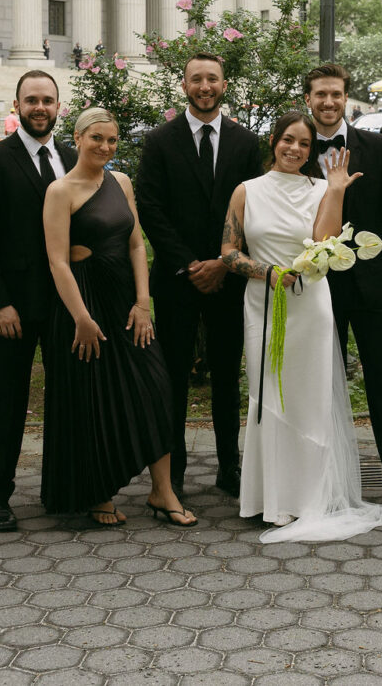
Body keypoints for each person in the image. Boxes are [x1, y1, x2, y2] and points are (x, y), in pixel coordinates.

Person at [219, 112, 382, 541]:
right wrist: (267, 273)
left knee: (309, 397)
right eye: (288, 140)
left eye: (304, 143)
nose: (295, 149)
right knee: (268, 394)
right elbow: (228, 251)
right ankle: (271, 498)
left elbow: (324, 240)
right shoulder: (246, 192)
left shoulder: (320, 188)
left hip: (310, 303)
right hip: (264, 301)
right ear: (274, 142)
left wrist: (334, 190)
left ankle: (311, 498)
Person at [41, 108, 193, 528]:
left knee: (158, 387)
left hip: (126, 300)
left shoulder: (121, 182)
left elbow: (137, 246)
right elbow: (57, 262)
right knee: (94, 397)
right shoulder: (60, 191)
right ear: (77, 138)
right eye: (96, 139)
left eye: (111, 140)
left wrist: (143, 303)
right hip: (83, 302)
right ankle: (98, 492)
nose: (105, 147)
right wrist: (81, 318)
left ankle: (162, 491)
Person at [302, 63, 382, 528]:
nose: (328, 102)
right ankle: (317, 489)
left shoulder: (376, 147)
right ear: (309, 99)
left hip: (375, 290)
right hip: (314, 292)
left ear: (346, 97)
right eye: (320, 95)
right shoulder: (294, 148)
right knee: (317, 389)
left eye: (335, 94)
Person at [135, 54, 262, 497]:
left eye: (212, 79)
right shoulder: (158, 141)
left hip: (228, 278)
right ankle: (174, 472)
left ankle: (230, 467)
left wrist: (223, 263)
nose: (204, 86)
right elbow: (150, 208)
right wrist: (190, 264)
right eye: (196, 79)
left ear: (224, 85)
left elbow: (252, 209)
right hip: (176, 279)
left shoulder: (246, 143)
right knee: (171, 377)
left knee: (228, 375)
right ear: (184, 85)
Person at [0, 71, 79, 532]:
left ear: (58, 107)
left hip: (67, 305)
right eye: (31, 100)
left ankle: (64, 489)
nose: (40, 108)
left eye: (47, 100)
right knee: (8, 402)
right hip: (12, 306)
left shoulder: (73, 158)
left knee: (69, 398)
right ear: (17, 105)